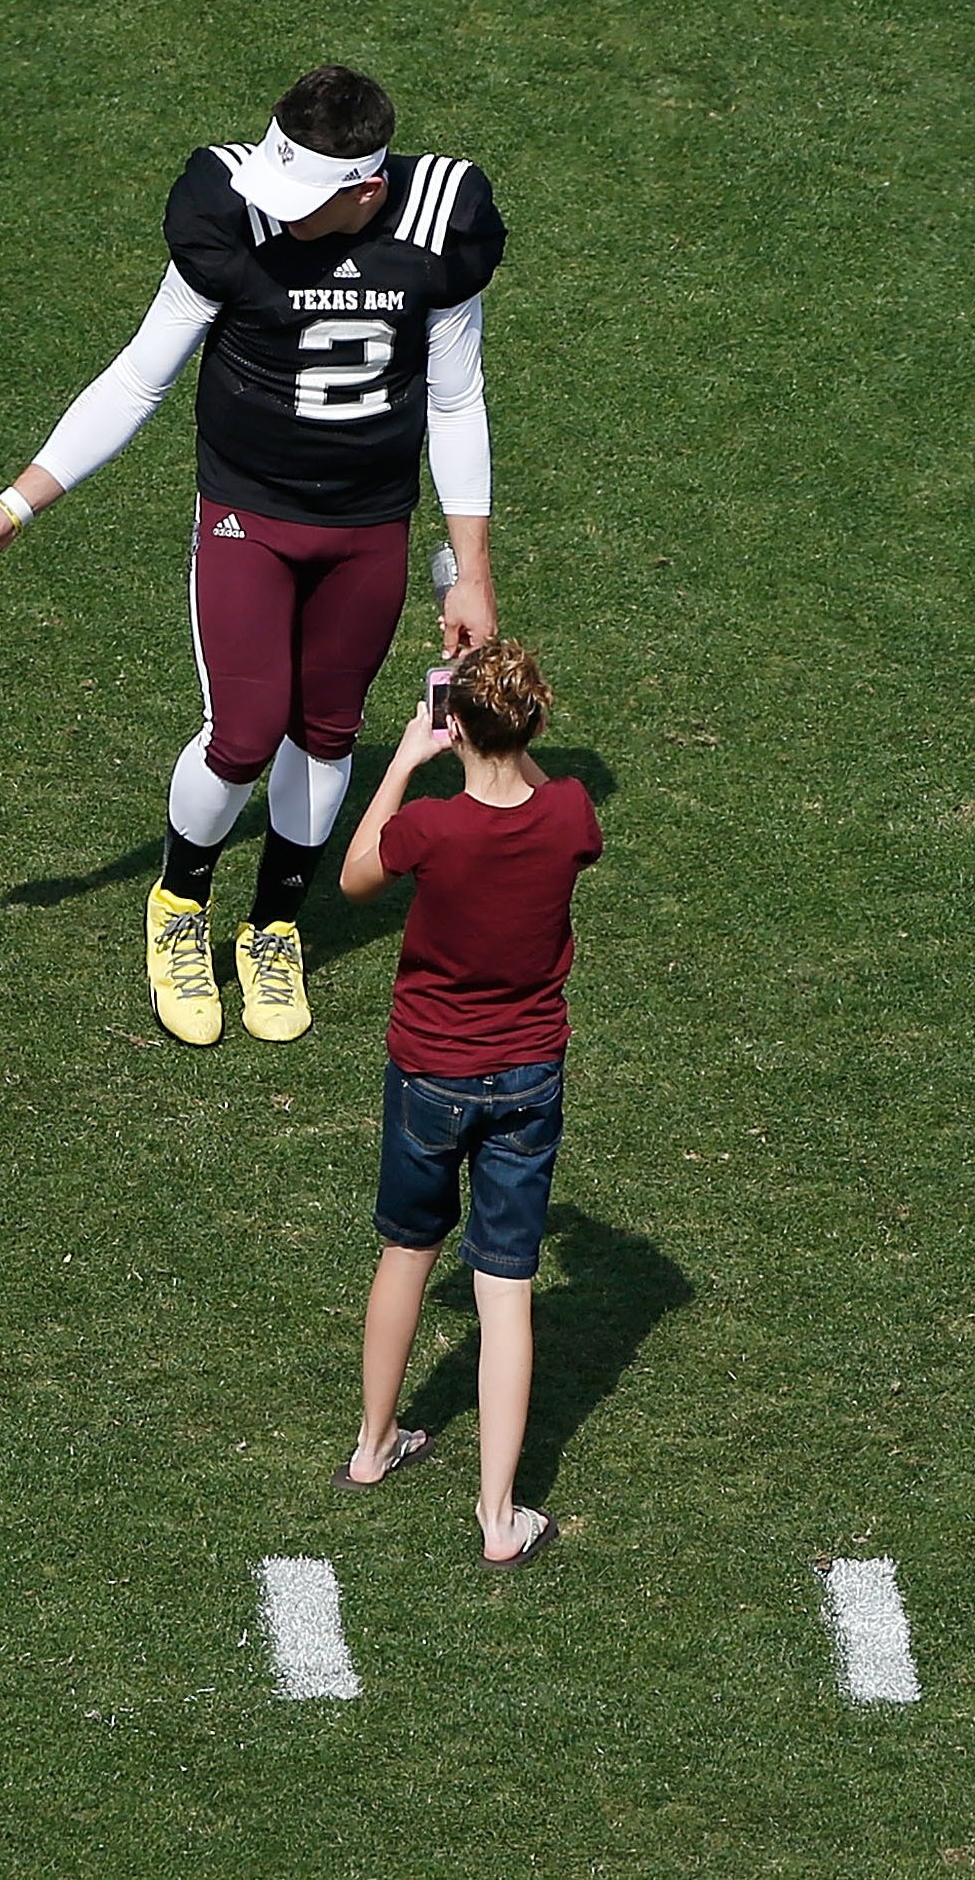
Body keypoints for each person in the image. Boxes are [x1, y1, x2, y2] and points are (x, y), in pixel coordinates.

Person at [0, 64, 506, 1048]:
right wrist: (14, 505)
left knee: (326, 734)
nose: (276, 212)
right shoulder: (226, 208)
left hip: (368, 524)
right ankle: (178, 907)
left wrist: (472, 569)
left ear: (366, 189)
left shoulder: (441, 225)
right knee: (241, 732)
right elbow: (136, 378)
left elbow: (453, 400)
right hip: (250, 514)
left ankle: (273, 924)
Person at [331, 641, 599, 1568]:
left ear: (457, 724)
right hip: (525, 1077)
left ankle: (372, 1447)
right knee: (506, 1288)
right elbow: (537, 790)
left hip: (425, 1074)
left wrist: (405, 759)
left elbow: (356, 874)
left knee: (407, 1250)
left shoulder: (431, 830)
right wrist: (509, 738)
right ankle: (497, 1517)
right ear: (531, 727)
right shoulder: (569, 812)